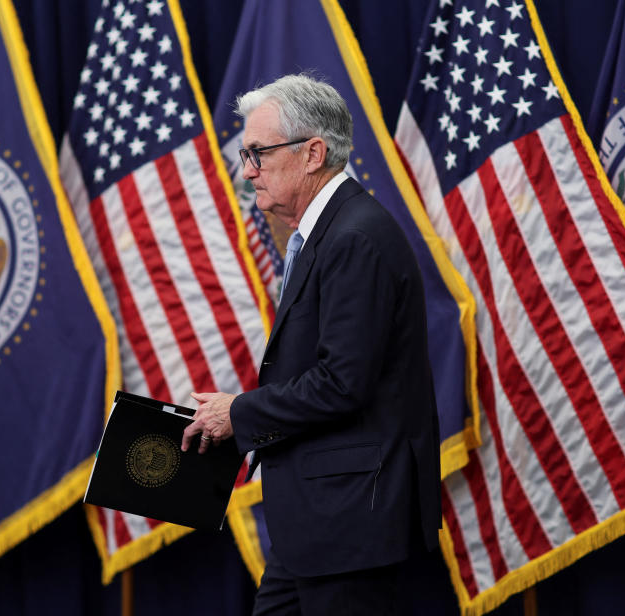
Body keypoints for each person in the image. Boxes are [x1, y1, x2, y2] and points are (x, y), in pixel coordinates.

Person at [181, 74, 441, 615]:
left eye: (257, 153)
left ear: (312, 153)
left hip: (351, 527)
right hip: (319, 528)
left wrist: (240, 413)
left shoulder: (354, 238)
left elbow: (342, 383)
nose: (246, 170)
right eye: (244, 154)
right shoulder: (329, 233)